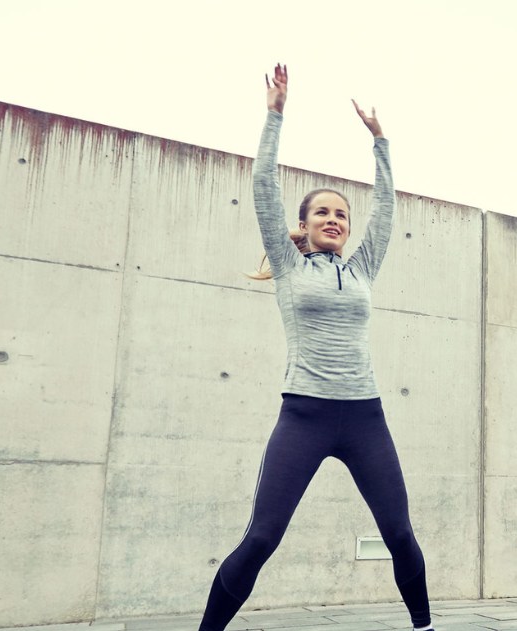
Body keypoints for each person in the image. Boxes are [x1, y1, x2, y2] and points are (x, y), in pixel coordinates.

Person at [198, 64, 433, 631]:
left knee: (400, 532)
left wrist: (380, 142)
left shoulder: (362, 269)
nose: (334, 218)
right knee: (262, 537)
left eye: (341, 214)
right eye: (323, 212)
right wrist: (275, 113)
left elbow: (387, 208)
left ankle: (425, 626)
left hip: (364, 417)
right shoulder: (287, 264)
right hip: (304, 414)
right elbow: (262, 187)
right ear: (302, 226)